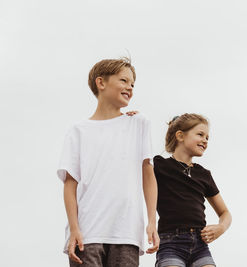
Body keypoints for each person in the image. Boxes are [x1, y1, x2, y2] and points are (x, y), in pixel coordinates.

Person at [57, 58, 159, 267]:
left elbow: (148, 174)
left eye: (132, 84)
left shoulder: (139, 123)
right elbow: (70, 184)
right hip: (87, 233)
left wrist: (151, 221)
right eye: (124, 80)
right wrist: (75, 229)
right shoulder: (78, 131)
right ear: (101, 83)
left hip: (126, 232)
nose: (130, 87)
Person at [153, 113, 232, 267]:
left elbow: (225, 213)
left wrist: (220, 228)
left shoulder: (204, 174)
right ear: (180, 136)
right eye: (200, 134)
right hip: (170, 243)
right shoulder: (160, 165)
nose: (205, 140)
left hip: (200, 245)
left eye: (207, 138)